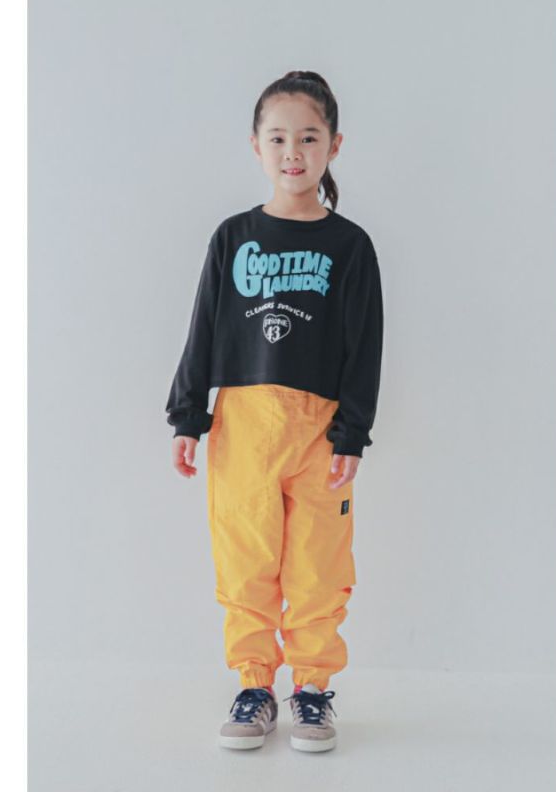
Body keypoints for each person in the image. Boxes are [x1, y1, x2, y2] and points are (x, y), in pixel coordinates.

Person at [165, 70, 384, 752]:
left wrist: (352, 432)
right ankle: (255, 685)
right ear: (256, 145)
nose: (294, 151)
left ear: (334, 146)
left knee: (319, 566)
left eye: (310, 137)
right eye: (279, 137)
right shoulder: (234, 236)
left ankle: (312, 690)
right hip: (243, 426)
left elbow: (365, 344)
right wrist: (187, 416)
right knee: (246, 560)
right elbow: (204, 327)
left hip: (320, 431)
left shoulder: (350, 246)